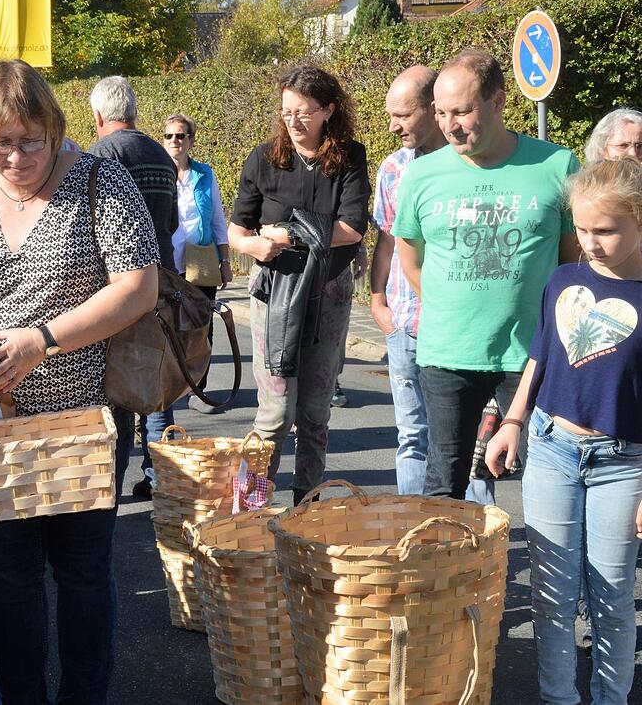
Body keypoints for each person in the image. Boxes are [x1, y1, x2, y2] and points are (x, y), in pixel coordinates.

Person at [0, 59, 158, 704]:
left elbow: (138, 288)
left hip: (83, 414)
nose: (14, 156)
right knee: (10, 577)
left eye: (29, 140)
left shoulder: (101, 183)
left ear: (54, 129)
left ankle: (84, 698)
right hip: (0, 423)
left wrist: (42, 340)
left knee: (82, 573)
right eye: (0, 143)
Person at [485, 158, 642, 705]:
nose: (590, 243)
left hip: (625, 464)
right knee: (551, 593)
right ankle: (558, 698)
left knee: (613, 595)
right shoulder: (563, 279)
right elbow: (541, 357)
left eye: (605, 230)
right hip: (552, 449)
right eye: (581, 228)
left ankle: (610, 699)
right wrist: (512, 422)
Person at [392, 49, 581, 501]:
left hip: (531, 353)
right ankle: (451, 572)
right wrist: (454, 306)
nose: (449, 125)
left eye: (462, 111)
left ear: (498, 102)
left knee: (548, 479)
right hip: (447, 352)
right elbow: (410, 257)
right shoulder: (420, 175)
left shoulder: (557, 166)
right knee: (444, 482)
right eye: (440, 112)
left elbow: (571, 263)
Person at [228, 65, 371, 505]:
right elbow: (236, 231)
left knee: (314, 413)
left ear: (328, 110)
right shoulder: (264, 158)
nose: (292, 121)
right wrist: (255, 247)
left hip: (328, 291)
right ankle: (250, 504)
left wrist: (292, 233)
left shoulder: (349, 157)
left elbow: (352, 229)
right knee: (274, 412)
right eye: (286, 111)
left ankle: (306, 507)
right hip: (275, 293)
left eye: (303, 112)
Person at [368, 66, 491, 503]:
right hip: (406, 323)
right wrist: (378, 299)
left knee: (469, 441)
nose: (393, 125)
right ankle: (415, 542)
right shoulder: (394, 168)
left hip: (461, 329)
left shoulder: (477, 163)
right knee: (412, 436)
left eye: (402, 115)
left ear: (431, 108)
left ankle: (478, 545)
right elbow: (385, 238)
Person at [87, 75, 178, 500]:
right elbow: (173, 223)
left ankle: (112, 483)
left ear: (99, 115)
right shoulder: (161, 154)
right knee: (155, 383)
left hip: (116, 286)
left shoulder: (100, 157)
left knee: (119, 388)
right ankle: (160, 475)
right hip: (161, 280)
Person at [161, 112, 232, 418]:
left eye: (181, 135)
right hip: (166, 262)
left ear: (191, 140)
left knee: (202, 327)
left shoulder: (205, 175)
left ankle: (198, 389)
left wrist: (225, 260)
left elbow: (217, 219)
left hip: (200, 263)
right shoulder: (158, 173)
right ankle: (169, 386)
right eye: (169, 136)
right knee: (167, 328)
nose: (175, 141)